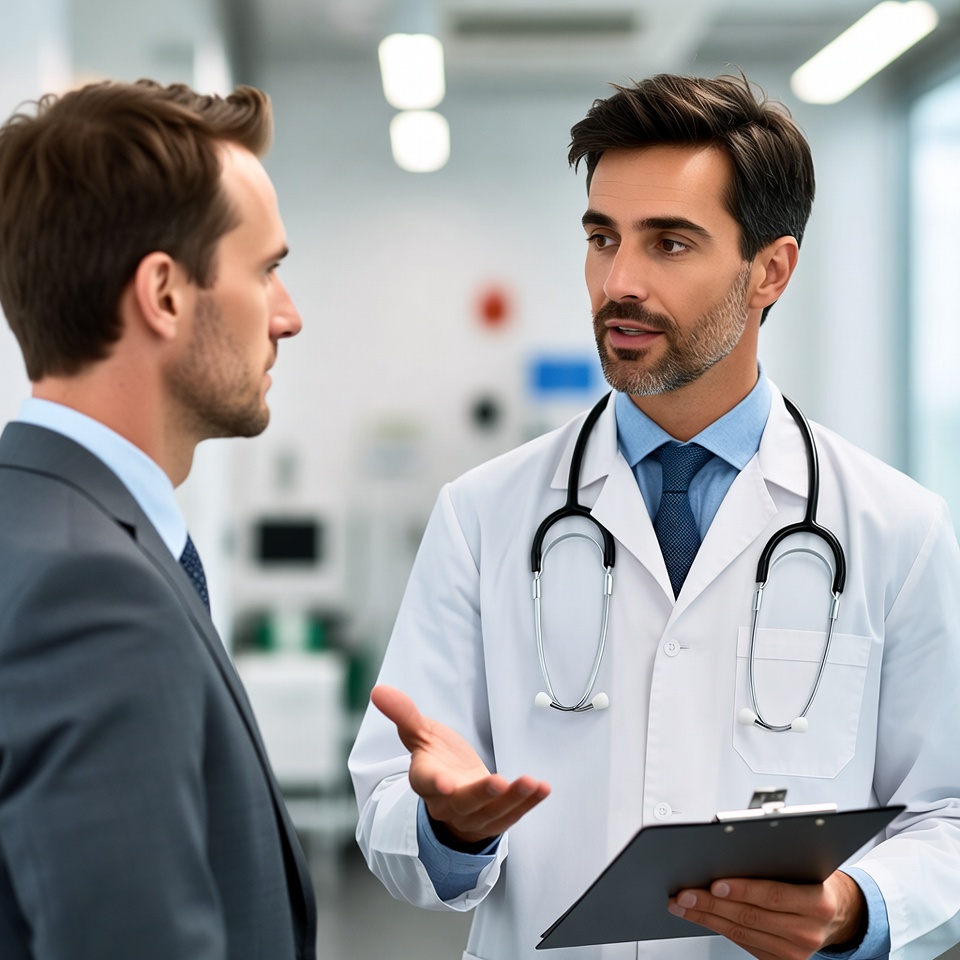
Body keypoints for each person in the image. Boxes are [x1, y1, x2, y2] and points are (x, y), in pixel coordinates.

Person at [348, 73, 960, 960]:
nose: (618, 283)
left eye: (670, 243)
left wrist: (856, 906)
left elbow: (949, 812)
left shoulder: (896, 531)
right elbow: (387, 807)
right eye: (602, 238)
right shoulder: (483, 516)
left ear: (771, 270)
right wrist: (450, 827)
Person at [0, 79, 316, 959]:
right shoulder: (93, 594)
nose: (289, 316)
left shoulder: (31, 527)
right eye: (267, 270)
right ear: (165, 295)